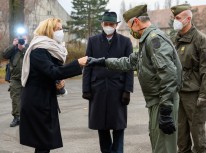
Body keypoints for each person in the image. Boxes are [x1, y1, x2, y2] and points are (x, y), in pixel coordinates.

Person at [87, 5, 182, 153]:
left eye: (130, 26)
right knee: (158, 143)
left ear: (136, 22)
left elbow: (168, 75)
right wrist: (103, 62)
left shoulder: (154, 40)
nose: (131, 31)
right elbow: (130, 62)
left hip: (163, 101)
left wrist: (165, 109)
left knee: (164, 147)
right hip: (157, 100)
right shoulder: (146, 41)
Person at [19, 18, 88, 153]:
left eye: (62, 29)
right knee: (43, 144)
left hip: (44, 100)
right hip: (37, 102)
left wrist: (58, 83)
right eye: (58, 29)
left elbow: (51, 74)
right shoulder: (38, 50)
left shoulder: (51, 49)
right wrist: (77, 63)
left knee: (44, 144)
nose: (61, 32)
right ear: (48, 30)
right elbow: (52, 71)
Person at [82, 11, 134, 153]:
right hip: (97, 89)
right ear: (102, 24)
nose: (108, 26)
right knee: (101, 126)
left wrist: (127, 90)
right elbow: (87, 65)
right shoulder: (93, 41)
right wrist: (85, 88)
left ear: (116, 25)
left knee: (118, 126)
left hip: (118, 90)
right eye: (106, 24)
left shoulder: (125, 42)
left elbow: (129, 67)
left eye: (111, 24)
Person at [170, 4, 206, 153]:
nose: (174, 21)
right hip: (178, 93)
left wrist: (204, 96)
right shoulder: (175, 39)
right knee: (181, 140)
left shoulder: (201, 40)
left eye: (177, 18)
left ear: (188, 19)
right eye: (174, 18)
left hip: (194, 95)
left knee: (198, 139)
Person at [2, 37, 28, 127]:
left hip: (28, 78)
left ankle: (28, 117)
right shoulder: (13, 50)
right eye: (19, 40)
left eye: (23, 39)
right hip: (15, 79)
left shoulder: (28, 49)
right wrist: (13, 45)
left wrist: (25, 47)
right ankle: (17, 117)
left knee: (28, 98)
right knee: (15, 98)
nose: (21, 41)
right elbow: (4, 55)